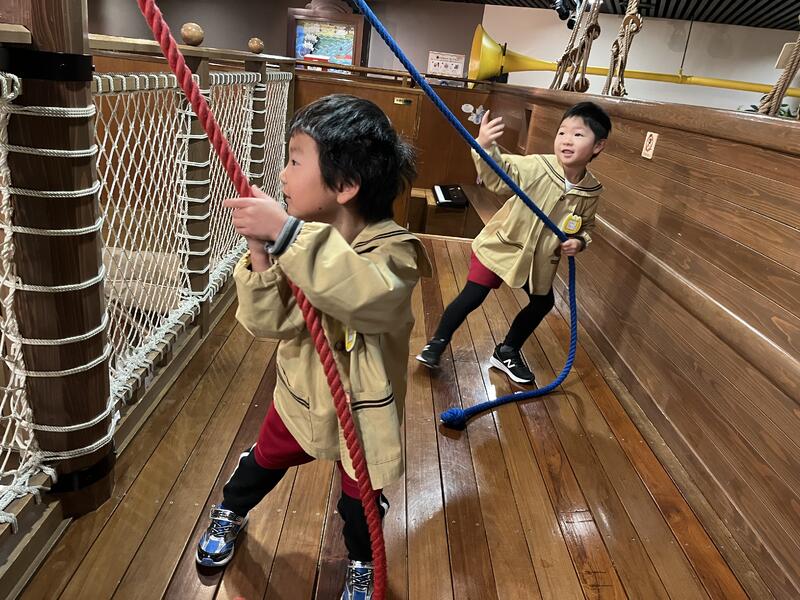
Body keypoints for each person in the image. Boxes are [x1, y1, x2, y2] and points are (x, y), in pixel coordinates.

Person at [196, 94, 430, 600]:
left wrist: (284, 234)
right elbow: (270, 324)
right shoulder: (304, 242)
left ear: (345, 185)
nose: (282, 174)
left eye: (295, 160)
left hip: (364, 413)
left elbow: (365, 295)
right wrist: (261, 252)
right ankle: (231, 510)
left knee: (360, 504)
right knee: (262, 462)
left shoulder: (395, 253)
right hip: (302, 396)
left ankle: (363, 561)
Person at [416, 101, 610, 386]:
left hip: (538, 259)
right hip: (502, 246)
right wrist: (485, 147)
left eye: (578, 134)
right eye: (562, 132)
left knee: (543, 303)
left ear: (598, 146)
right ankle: (437, 342)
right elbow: (499, 176)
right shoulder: (538, 166)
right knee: (473, 295)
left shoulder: (590, 191)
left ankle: (506, 351)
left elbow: (586, 226)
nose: (567, 140)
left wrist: (579, 242)